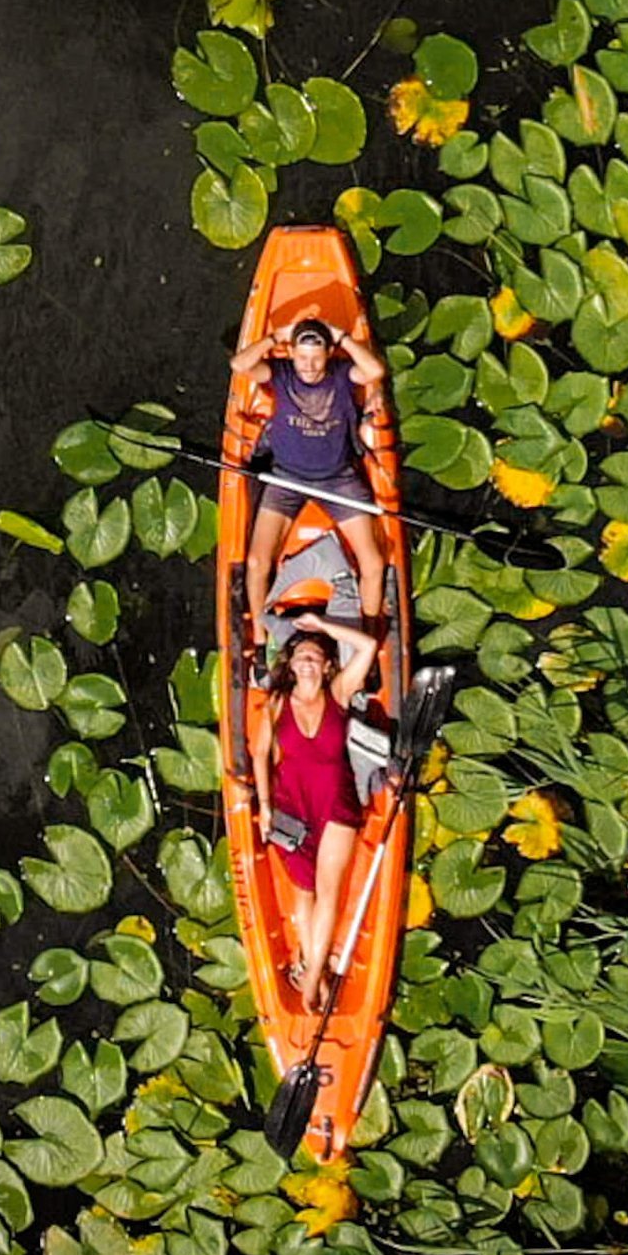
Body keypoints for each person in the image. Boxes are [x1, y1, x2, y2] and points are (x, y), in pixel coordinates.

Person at [250, 611, 378, 1013]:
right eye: (300, 655)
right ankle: (314, 968)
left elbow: (369, 647)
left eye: (314, 657)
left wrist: (322, 628)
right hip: (292, 805)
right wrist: (267, 807)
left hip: (336, 803)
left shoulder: (338, 693)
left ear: (326, 667)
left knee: (329, 888)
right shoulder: (275, 704)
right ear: (289, 664)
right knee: (303, 890)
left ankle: (310, 979)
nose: (306, 661)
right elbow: (259, 756)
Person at [230, 308, 386, 635]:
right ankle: (261, 639)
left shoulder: (343, 374)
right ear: (291, 354)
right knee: (258, 563)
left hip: (338, 480)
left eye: (317, 358)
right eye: (302, 358)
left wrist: (341, 335)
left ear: (330, 354)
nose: (309, 367)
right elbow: (239, 365)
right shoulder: (281, 373)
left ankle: (366, 637)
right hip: (286, 478)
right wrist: (277, 337)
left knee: (373, 564)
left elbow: (374, 370)